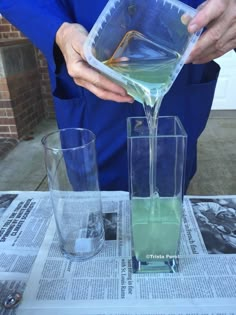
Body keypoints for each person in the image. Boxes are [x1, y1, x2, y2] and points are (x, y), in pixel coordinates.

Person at [0, 0, 235, 192]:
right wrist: (57, 29)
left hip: (180, 70)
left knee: (169, 184)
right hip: (91, 76)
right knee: (93, 197)